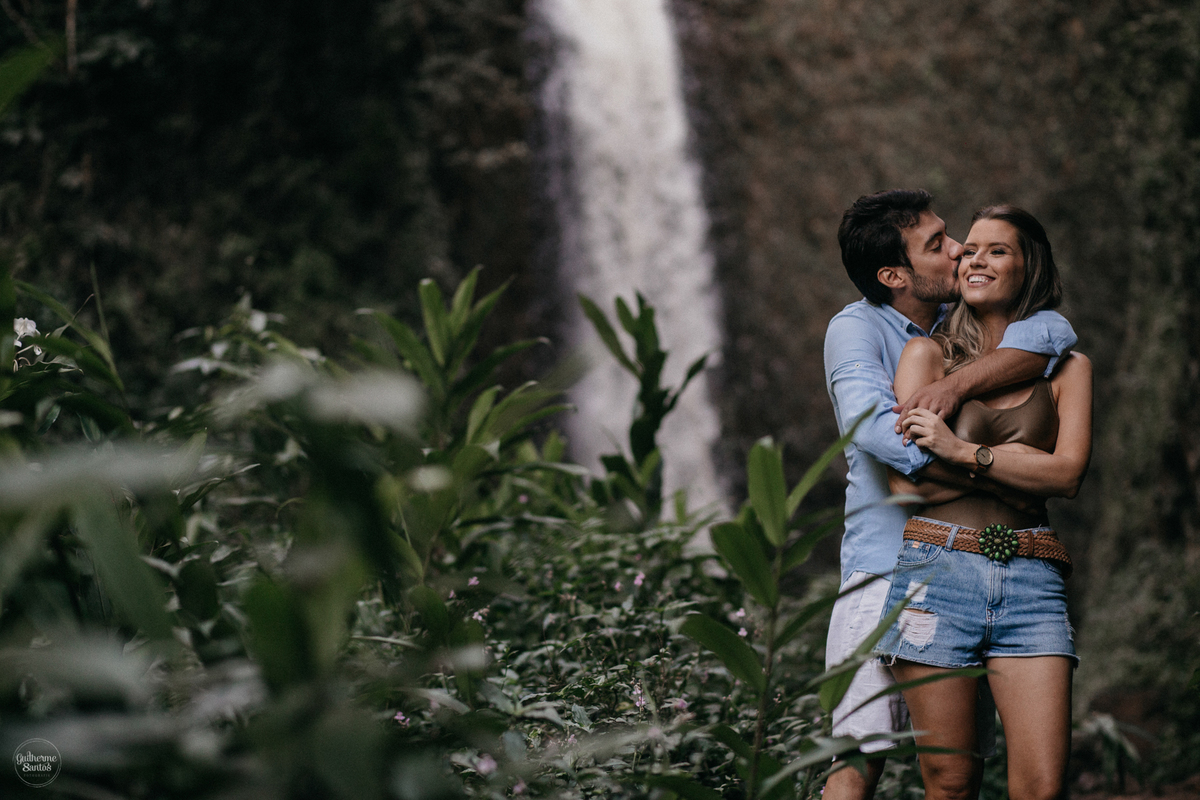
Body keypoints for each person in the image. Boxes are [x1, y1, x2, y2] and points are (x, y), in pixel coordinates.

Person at [822, 190, 1077, 800]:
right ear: (894, 275)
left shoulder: (961, 328)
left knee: (959, 772)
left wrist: (957, 392)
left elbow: (1055, 330)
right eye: (938, 243)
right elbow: (886, 439)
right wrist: (1002, 468)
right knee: (860, 753)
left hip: (962, 566)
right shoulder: (856, 330)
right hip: (882, 570)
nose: (960, 249)